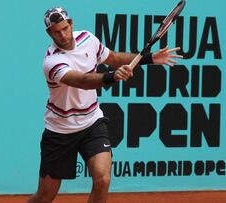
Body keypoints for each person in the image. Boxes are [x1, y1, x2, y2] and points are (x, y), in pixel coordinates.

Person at [27, 6, 182, 203]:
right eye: (56, 32)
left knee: (102, 178)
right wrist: (111, 77)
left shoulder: (87, 39)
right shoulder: (52, 62)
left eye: (65, 28)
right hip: (60, 131)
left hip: (92, 123)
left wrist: (150, 58)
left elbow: (115, 58)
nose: (63, 35)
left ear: (71, 23)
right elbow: (82, 81)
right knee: (45, 195)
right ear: (49, 33)